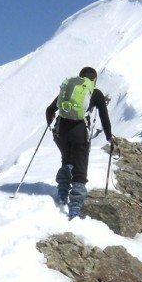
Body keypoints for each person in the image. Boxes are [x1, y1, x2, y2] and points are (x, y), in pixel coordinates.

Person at [44, 66, 117, 219]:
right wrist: (109, 136)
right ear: (94, 79)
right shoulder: (94, 93)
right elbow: (104, 117)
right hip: (80, 131)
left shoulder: (68, 90)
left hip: (61, 131)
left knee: (67, 159)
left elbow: (50, 110)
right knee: (80, 167)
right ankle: (75, 205)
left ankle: (63, 191)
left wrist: (51, 122)